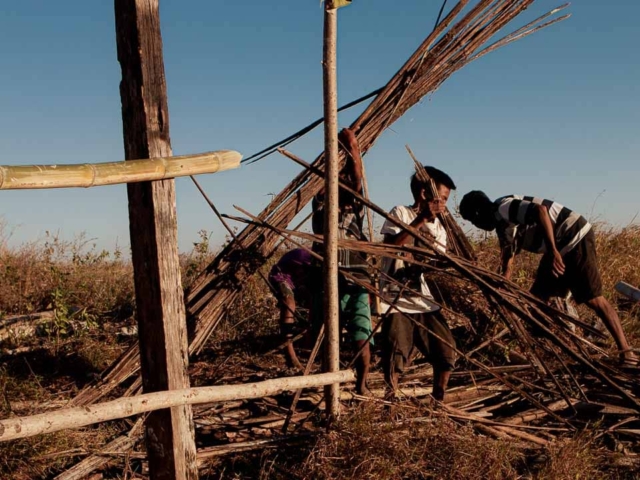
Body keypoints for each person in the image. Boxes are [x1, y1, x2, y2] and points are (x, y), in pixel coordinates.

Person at [459, 191, 638, 366]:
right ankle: (543, 351)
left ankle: (626, 353)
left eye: (473, 221)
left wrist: (553, 252)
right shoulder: (503, 226)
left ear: (478, 212)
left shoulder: (503, 206)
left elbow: (540, 210)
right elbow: (507, 263)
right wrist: (500, 288)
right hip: (557, 247)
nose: (477, 226)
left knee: (593, 299)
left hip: (573, 237)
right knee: (537, 298)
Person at [379, 166, 458, 401]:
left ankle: (438, 401)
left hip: (422, 299)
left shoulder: (440, 229)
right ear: (425, 194)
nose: (443, 205)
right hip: (395, 298)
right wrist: (421, 218)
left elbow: (434, 264)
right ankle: (390, 402)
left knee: (446, 351)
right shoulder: (401, 213)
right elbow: (392, 246)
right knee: (396, 354)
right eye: (441, 199)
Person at [311, 127, 373, 396]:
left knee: (361, 332)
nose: (349, 181)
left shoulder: (356, 205)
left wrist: (352, 144)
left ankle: (362, 384)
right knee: (329, 334)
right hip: (329, 275)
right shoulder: (322, 203)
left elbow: (356, 174)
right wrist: (345, 147)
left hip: (357, 276)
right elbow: (332, 180)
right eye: (341, 178)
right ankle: (330, 387)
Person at [268, 248, 314, 370]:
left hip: (298, 282)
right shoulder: (304, 255)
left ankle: (309, 344)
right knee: (289, 302)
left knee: (315, 301)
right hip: (281, 277)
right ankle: (290, 353)